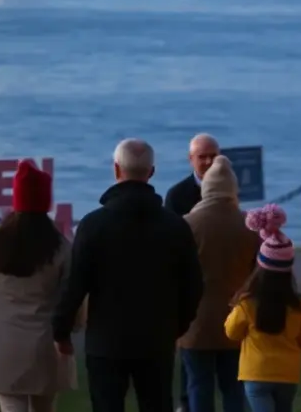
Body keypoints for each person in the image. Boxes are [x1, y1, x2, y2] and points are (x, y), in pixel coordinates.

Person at [52, 139, 203, 412]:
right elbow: (193, 286)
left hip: (105, 341)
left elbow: (75, 285)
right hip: (157, 339)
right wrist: (177, 325)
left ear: (116, 169)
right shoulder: (175, 227)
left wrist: (60, 331)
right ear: (151, 172)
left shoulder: (93, 225)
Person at [0, 161, 81, 412]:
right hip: (46, 342)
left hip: (3, 340)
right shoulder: (59, 246)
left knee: (10, 406)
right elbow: (70, 293)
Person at [179, 155, 261, 412]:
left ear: (206, 189)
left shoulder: (187, 225)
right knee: (234, 389)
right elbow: (260, 272)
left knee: (198, 386)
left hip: (194, 323)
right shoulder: (250, 227)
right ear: (232, 189)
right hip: (237, 321)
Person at [225, 205, 301, 412]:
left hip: (255, 373)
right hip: (288, 374)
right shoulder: (299, 303)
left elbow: (231, 332)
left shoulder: (247, 302)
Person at [164, 132, 219, 412]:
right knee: (190, 350)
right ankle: (185, 403)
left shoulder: (229, 191)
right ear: (190, 160)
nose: (208, 161)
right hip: (189, 285)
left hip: (221, 284)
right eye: (202, 157)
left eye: (213, 155)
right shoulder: (177, 195)